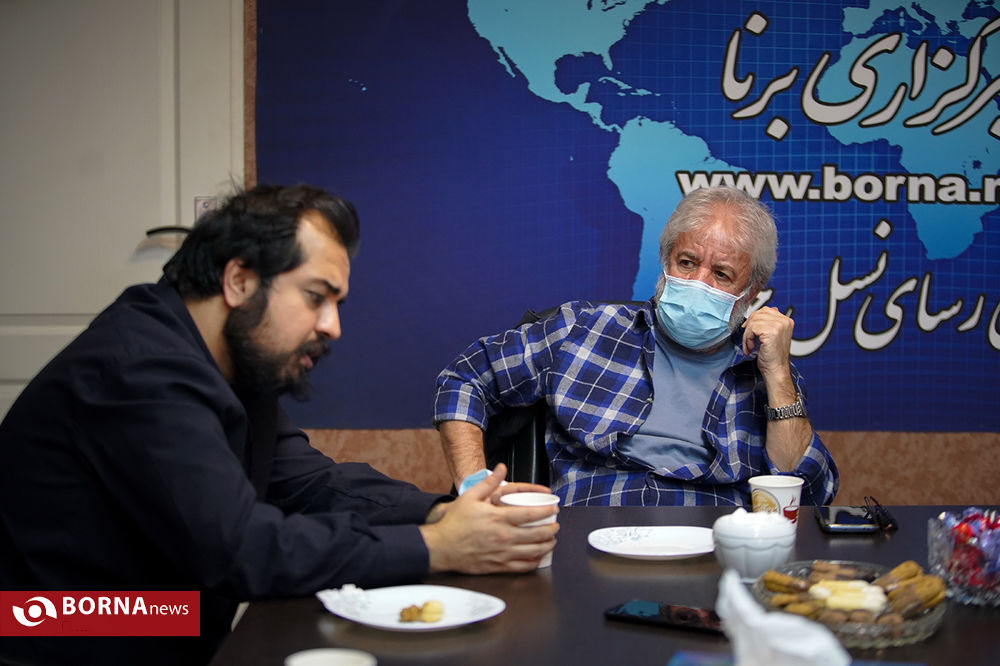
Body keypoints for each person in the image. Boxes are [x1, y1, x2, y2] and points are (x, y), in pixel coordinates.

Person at [0, 184, 557, 666]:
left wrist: (444, 512)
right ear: (239, 280)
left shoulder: (230, 362)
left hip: (166, 619)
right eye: (316, 297)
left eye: (336, 304)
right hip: (67, 630)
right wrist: (435, 545)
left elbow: (309, 484)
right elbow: (240, 550)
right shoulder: (142, 370)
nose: (333, 326)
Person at [434, 186, 838, 507]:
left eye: (721, 274)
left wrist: (779, 375)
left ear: (750, 293)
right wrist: (475, 487)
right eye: (686, 263)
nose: (698, 283)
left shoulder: (767, 370)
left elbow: (810, 493)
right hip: (587, 538)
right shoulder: (583, 329)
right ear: (665, 262)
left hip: (713, 549)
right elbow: (465, 377)